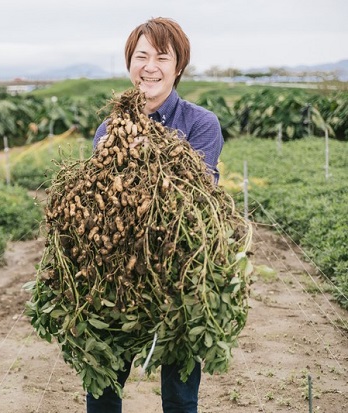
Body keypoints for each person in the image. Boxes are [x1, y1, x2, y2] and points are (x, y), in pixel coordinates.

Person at [89, 17, 224, 413]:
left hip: (180, 275)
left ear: (178, 66)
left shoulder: (201, 123)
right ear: (129, 63)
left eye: (162, 57)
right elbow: (102, 204)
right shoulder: (107, 129)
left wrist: (142, 151)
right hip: (118, 274)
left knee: (181, 398)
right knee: (103, 389)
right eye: (141, 56)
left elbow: (194, 195)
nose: (150, 66)